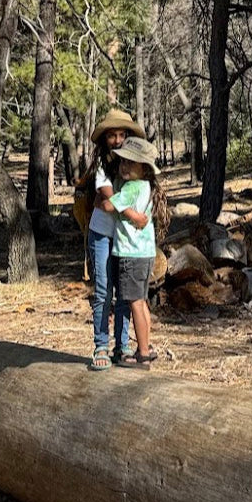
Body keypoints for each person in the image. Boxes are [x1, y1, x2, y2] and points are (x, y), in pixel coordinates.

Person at [84, 109, 144, 371]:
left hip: (125, 239)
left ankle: (122, 346)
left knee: (124, 293)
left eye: (122, 134)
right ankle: (100, 344)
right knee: (102, 290)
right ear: (104, 139)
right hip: (101, 234)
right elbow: (111, 201)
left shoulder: (134, 164)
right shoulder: (101, 166)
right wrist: (133, 214)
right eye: (112, 135)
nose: (118, 140)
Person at [109, 135, 168, 371]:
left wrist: (101, 198)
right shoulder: (146, 186)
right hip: (145, 254)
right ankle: (147, 346)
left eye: (129, 163)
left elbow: (110, 205)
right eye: (122, 162)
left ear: (143, 168)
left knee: (134, 303)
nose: (123, 167)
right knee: (141, 301)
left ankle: (142, 353)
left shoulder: (132, 187)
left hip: (131, 254)